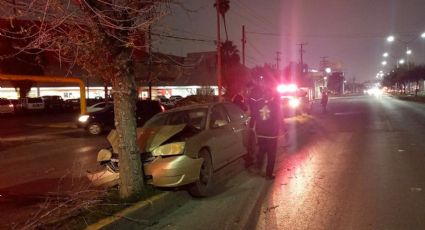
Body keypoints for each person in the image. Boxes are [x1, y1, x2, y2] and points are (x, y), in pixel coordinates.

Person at [252, 88, 281, 180]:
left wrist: (253, 129)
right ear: (272, 95)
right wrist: (281, 130)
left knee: (261, 151)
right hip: (271, 135)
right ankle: (269, 174)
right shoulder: (276, 105)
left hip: (260, 133)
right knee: (271, 155)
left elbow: (254, 117)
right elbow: (278, 119)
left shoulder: (257, 104)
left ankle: (258, 167)